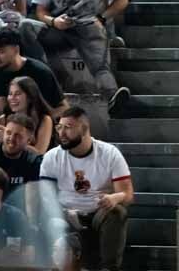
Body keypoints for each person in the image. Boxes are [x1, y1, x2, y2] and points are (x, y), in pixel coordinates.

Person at [41, 106, 133, 271]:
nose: (61, 134)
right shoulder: (51, 157)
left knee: (117, 212)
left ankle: (109, 268)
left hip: (98, 212)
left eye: (68, 128)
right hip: (66, 213)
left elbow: (127, 194)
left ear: (84, 129)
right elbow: (45, 195)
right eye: (59, 127)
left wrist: (114, 198)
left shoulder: (109, 153)